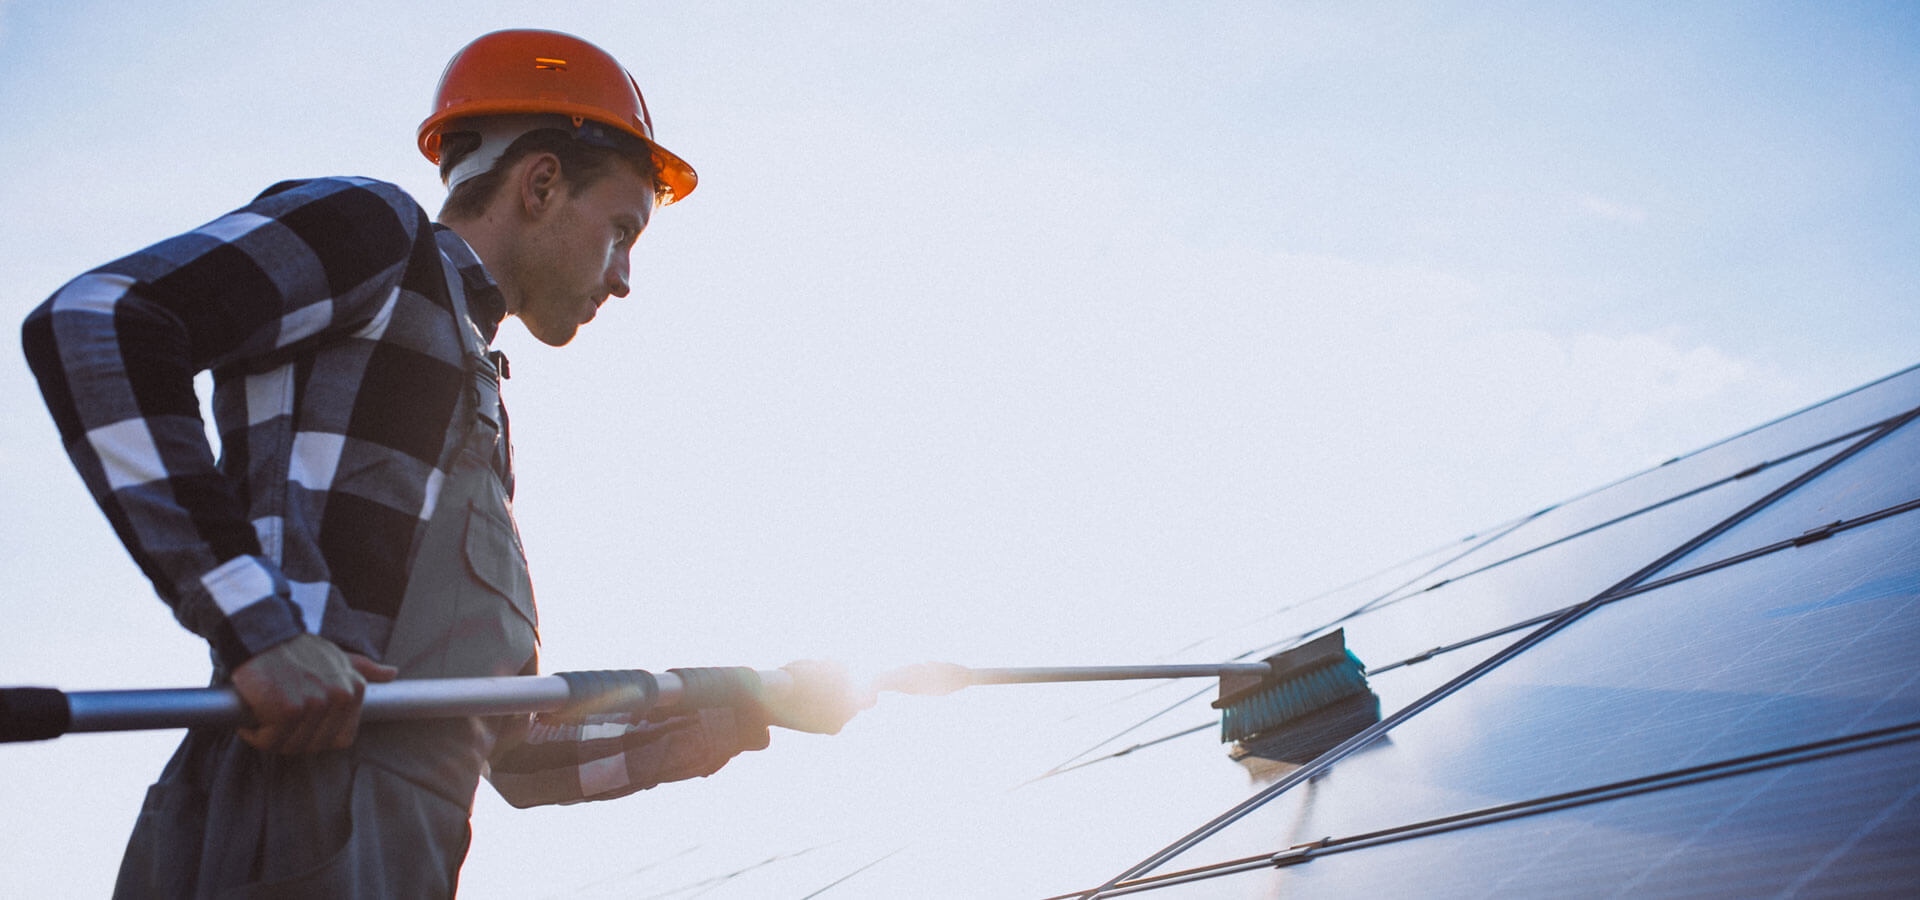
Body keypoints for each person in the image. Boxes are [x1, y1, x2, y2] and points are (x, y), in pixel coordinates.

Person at [22, 28, 865, 897]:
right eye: (621, 231)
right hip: (284, 824)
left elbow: (518, 750)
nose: (622, 279)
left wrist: (756, 702)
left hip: (404, 858)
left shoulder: (477, 393)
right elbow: (97, 321)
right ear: (540, 183)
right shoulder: (375, 233)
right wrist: (258, 627)